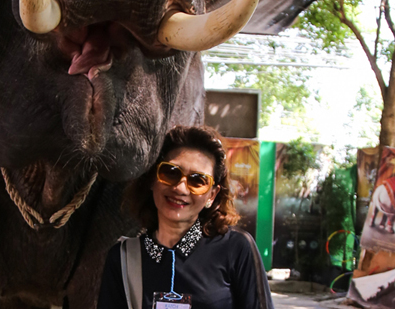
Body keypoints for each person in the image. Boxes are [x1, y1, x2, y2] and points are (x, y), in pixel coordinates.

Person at [97, 125, 274, 309]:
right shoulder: (124, 258)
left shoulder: (236, 248)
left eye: (198, 181)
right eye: (171, 172)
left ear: (212, 195)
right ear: (152, 179)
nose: (180, 188)